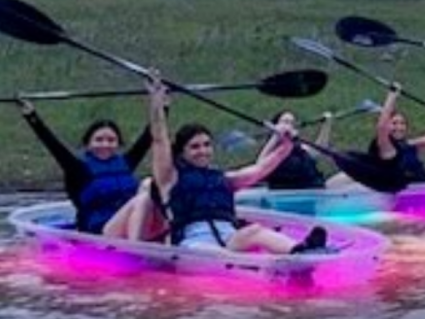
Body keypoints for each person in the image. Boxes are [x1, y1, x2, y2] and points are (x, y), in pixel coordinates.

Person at [126, 77, 327, 252]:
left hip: (229, 237)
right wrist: (157, 104)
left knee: (255, 231)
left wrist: (286, 144)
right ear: (182, 152)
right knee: (217, 253)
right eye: (194, 147)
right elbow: (160, 138)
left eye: (206, 145)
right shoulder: (170, 177)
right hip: (194, 244)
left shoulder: (224, 179)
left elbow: (261, 169)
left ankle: (299, 250)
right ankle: (261, 269)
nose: (203, 151)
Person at [17, 99, 151, 235]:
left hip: (129, 224)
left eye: (111, 140)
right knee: (143, 198)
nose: (105, 144)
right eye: (99, 140)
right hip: (100, 231)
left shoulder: (126, 162)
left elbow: (149, 136)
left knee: (148, 185)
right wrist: (31, 116)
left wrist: (162, 105)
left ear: (118, 144)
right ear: (88, 144)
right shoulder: (78, 169)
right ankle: (136, 245)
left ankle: (148, 241)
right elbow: (52, 144)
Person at [369, 85, 425, 185]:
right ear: (388, 125)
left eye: (402, 123)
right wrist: (392, 96)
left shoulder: (408, 144)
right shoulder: (385, 147)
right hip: (403, 196)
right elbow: (381, 127)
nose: (399, 127)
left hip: (423, 190)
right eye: (394, 123)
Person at [259, 109, 333, 190]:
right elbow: (259, 166)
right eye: (285, 122)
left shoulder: (299, 147)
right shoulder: (272, 148)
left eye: (292, 123)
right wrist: (276, 136)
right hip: (287, 194)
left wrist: (327, 125)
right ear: (276, 126)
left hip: (314, 189)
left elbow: (318, 150)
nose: (289, 126)